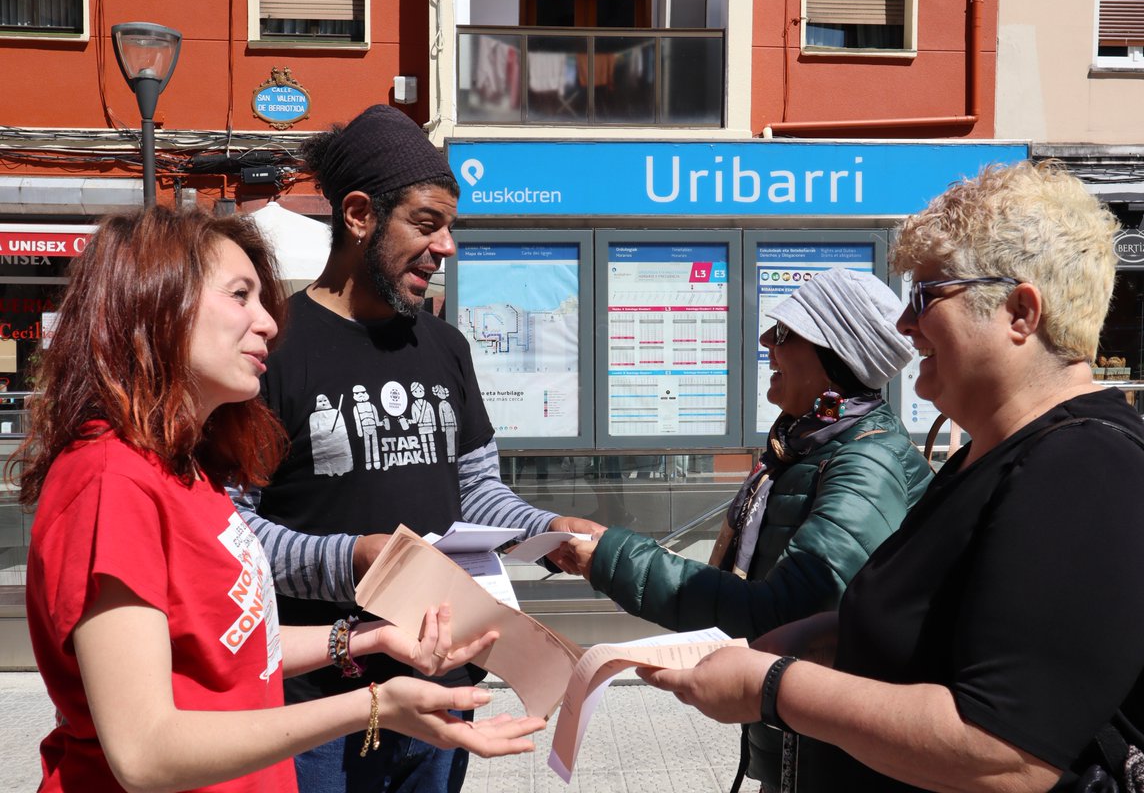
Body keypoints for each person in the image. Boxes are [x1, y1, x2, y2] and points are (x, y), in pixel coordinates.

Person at [639, 161, 1144, 791]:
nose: (905, 326)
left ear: (1021, 312)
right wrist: (807, 637)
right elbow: (937, 627)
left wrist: (772, 689)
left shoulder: (1087, 475)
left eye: (927, 297)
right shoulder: (991, 456)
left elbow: (1001, 752)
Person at [20, 207, 544, 793]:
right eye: (240, 295)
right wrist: (374, 704)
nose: (268, 323)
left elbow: (234, 646)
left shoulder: (184, 470)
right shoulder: (109, 480)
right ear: (155, 304)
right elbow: (144, 752)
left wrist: (366, 638)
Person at [231, 104, 600, 793]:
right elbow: (232, 530)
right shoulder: (271, 347)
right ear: (360, 215)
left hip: (442, 693)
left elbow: (477, 492)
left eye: (450, 228)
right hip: (317, 707)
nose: (447, 247)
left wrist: (547, 530)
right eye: (427, 225)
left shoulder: (445, 345)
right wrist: (357, 560)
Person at [553, 268, 933, 790]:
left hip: (833, 760)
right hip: (797, 745)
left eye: (783, 333)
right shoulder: (804, 445)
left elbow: (784, 612)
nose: (765, 344)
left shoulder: (866, 465)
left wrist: (610, 559)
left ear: (833, 358)